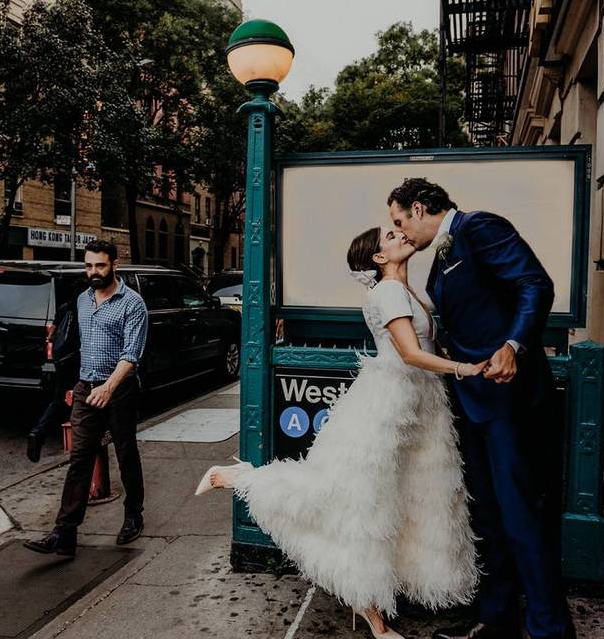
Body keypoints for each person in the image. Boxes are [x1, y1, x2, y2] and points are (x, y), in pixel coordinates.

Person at [196, 227, 486, 639]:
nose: (400, 235)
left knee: (407, 501)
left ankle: (378, 602)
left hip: (419, 408)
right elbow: (408, 352)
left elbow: (429, 347)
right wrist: (464, 369)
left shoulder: (407, 290)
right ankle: (237, 478)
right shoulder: (387, 292)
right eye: (390, 235)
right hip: (388, 407)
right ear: (379, 258)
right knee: (360, 506)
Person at [388, 178, 572, 639]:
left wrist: (514, 345)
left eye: (399, 221)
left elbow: (534, 283)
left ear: (417, 207)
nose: (400, 232)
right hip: (471, 405)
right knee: (487, 517)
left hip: (509, 401)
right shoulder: (439, 260)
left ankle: (550, 630)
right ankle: (498, 621)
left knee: (521, 517)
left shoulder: (480, 228)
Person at [23, 240, 148, 556]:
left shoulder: (132, 304)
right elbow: (78, 347)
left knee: (125, 452)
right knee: (79, 459)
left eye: (100, 266)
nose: (93, 272)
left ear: (114, 264)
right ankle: (64, 533)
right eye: (89, 266)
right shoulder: (82, 300)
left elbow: (131, 355)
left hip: (119, 389)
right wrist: (75, 385)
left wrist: (108, 387)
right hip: (85, 388)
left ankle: (133, 514)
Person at [26, 279, 83, 463]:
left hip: (63, 361)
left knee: (59, 400)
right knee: (83, 397)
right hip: (79, 359)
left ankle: (38, 431)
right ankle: (79, 440)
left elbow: (51, 334)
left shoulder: (63, 309)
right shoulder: (87, 310)